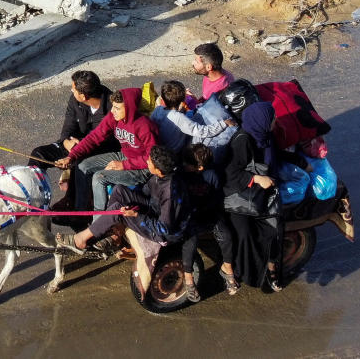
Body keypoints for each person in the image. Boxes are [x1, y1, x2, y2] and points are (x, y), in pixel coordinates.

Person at [72, 146, 186, 298]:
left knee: (119, 210)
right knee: (120, 190)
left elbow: (163, 228)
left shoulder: (170, 193)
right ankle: (112, 232)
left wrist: (136, 215)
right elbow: (145, 193)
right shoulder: (158, 176)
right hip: (153, 209)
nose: (147, 162)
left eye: (149, 161)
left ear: (158, 170)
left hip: (162, 231)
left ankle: (82, 238)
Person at [55, 88, 157, 211]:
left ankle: (99, 223)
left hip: (142, 168)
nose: (113, 111)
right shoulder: (114, 117)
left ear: (130, 108)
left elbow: (152, 158)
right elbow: (93, 138)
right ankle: (81, 211)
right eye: (113, 106)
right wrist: (71, 156)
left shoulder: (145, 126)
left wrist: (124, 165)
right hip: (124, 156)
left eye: (117, 108)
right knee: (82, 166)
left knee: (99, 178)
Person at [29, 70, 114, 208]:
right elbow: (68, 125)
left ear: (84, 95)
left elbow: (102, 141)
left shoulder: (111, 108)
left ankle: (76, 207)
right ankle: (34, 203)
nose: (71, 90)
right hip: (73, 144)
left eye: (73, 89)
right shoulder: (75, 100)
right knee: (38, 154)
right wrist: (66, 141)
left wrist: (74, 154)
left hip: (98, 150)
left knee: (80, 165)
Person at [222, 102, 283, 291]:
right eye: (272, 118)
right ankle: (246, 273)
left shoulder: (266, 137)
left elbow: (278, 156)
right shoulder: (242, 141)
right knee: (245, 233)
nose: (275, 121)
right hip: (238, 194)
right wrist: (256, 178)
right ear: (261, 121)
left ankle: (271, 266)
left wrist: (302, 164)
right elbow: (230, 173)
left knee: (274, 228)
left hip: (259, 193)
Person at [178, 143, 237, 301]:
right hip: (189, 214)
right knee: (190, 241)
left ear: (200, 168)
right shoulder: (181, 174)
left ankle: (227, 269)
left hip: (207, 211)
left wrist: (206, 210)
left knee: (226, 236)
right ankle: (189, 278)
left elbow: (216, 198)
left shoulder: (212, 175)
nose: (184, 165)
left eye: (188, 164)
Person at [150, 80, 236, 154]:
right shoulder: (178, 117)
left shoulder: (158, 110)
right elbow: (201, 131)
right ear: (183, 99)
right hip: (175, 151)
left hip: (161, 147)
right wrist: (224, 124)